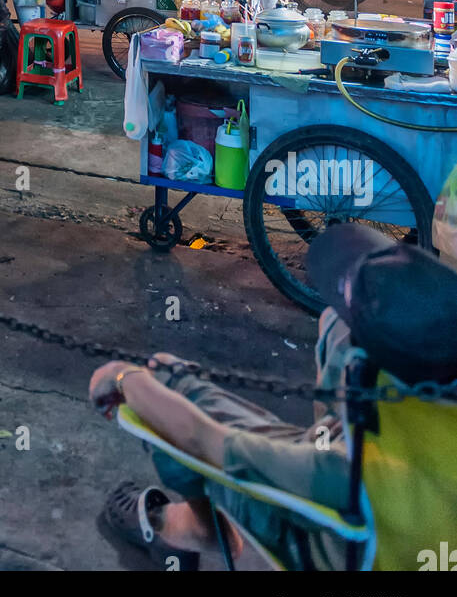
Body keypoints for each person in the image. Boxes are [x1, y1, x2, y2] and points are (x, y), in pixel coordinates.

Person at [90, 225, 457, 572]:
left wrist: (124, 377)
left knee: (167, 386)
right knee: (333, 323)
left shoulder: (349, 472)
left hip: (335, 542)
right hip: (416, 511)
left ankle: (190, 529)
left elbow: (205, 440)